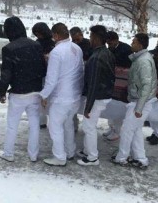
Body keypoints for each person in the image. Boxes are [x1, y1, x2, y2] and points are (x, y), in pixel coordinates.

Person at [0, 16, 46, 162]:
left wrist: (2, 92)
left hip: (18, 92)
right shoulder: (36, 45)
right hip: (35, 91)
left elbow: (6, 73)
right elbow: (43, 69)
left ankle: (8, 154)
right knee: (34, 125)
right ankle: (33, 154)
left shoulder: (8, 48)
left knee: (12, 125)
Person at [40, 23, 84, 166]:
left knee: (55, 126)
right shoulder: (77, 48)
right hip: (75, 95)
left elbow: (51, 78)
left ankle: (59, 157)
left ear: (56, 35)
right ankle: (70, 152)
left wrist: (44, 95)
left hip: (61, 97)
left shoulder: (57, 52)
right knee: (68, 124)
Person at [111, 33, 157, 169]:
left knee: (127, 130)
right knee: (135, 130)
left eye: (134, 42)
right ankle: (140, 158)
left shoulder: (143, 62)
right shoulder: (140, 59)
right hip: (139, 100)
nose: (131, 44)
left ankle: (122, 157)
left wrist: (139, 108)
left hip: (141, 102)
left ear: (140, 45)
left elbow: (147, 85)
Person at [77, 25, 115, 166]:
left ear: (96, 38)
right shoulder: (107, 52)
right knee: (89, 126)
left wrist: (88, 107)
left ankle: (92, 157)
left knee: (89, 127)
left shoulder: (96, 58)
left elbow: (93, 83)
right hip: (103, 94)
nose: (90, 39)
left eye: (91, 36)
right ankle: (87, 150)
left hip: (97, 97)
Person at [103, 31, 132, 141]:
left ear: (116, 40)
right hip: (113, 82)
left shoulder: (126, 49)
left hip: (122, 84)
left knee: (118, 107)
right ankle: (111, 128)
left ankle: (117, 131)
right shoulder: (110, 49)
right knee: (110, 106)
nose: (109, 46)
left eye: (110, 43)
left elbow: (129, 67)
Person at [32, 22, 55, 129]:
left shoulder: (52, 43)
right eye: (36, 34)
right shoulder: (40, 43)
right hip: (41, 72)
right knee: (41, 97)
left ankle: (45, 119)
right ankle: (42, 120)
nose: (38, 36)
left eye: (39, 33)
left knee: (46, 96)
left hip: (48, 72)